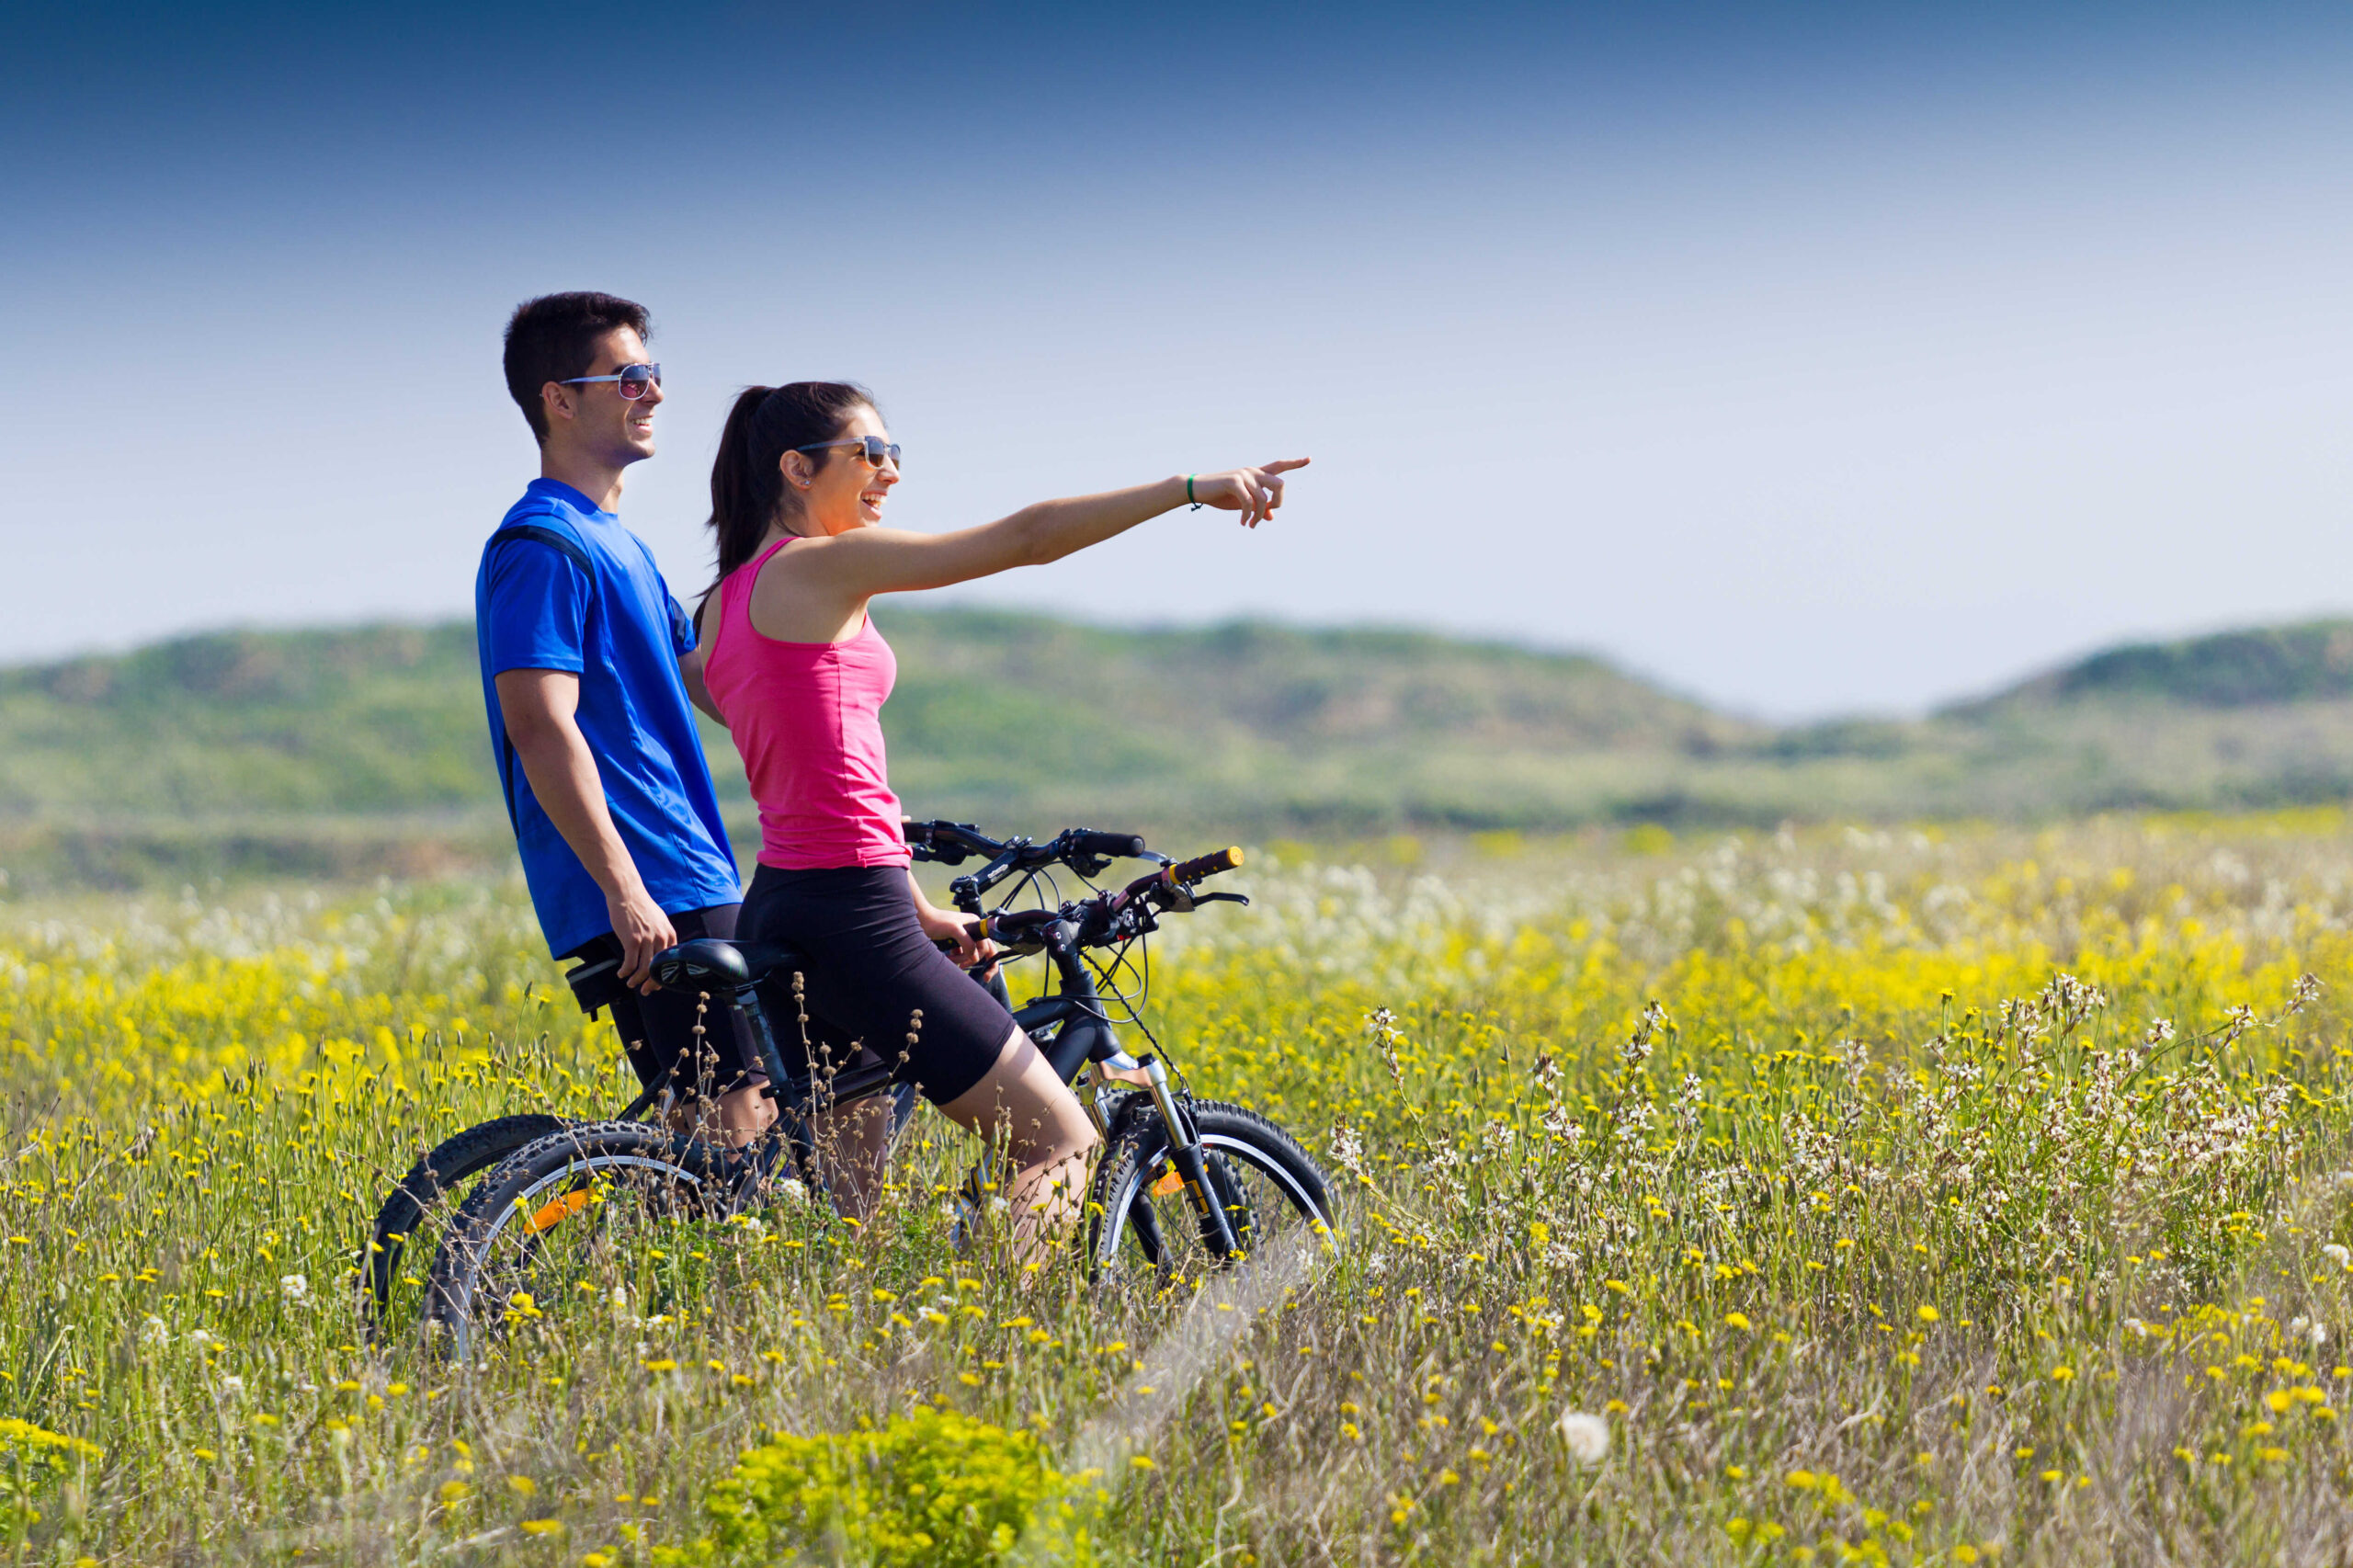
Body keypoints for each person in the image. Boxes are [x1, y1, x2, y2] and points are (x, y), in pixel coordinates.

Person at [695, 379, 1305, 1262]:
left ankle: (874, 1376)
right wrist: (1189, 489)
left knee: (853, 1226)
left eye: (895, 452)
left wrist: (916, 901)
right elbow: (1025, 540)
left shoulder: (722, 607)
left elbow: (822, 776)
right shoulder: (816, 568)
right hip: (853, 915)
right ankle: (1008, 1354)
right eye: (869, 453)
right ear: (796, 468)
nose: (890, 472)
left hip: (790, 902)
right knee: (1059, 1143)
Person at [475, 291, 774, 1145]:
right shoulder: (541, 547)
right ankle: (674, 1279)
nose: (654, 394)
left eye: (654, 375)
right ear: (559, 400)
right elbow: (541, 726)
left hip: (692, 869)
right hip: (653, 885)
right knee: (731, 1130)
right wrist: (625, 887)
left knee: (749, 1121)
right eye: (629, 376)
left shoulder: (620, 545)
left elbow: (715, 687)